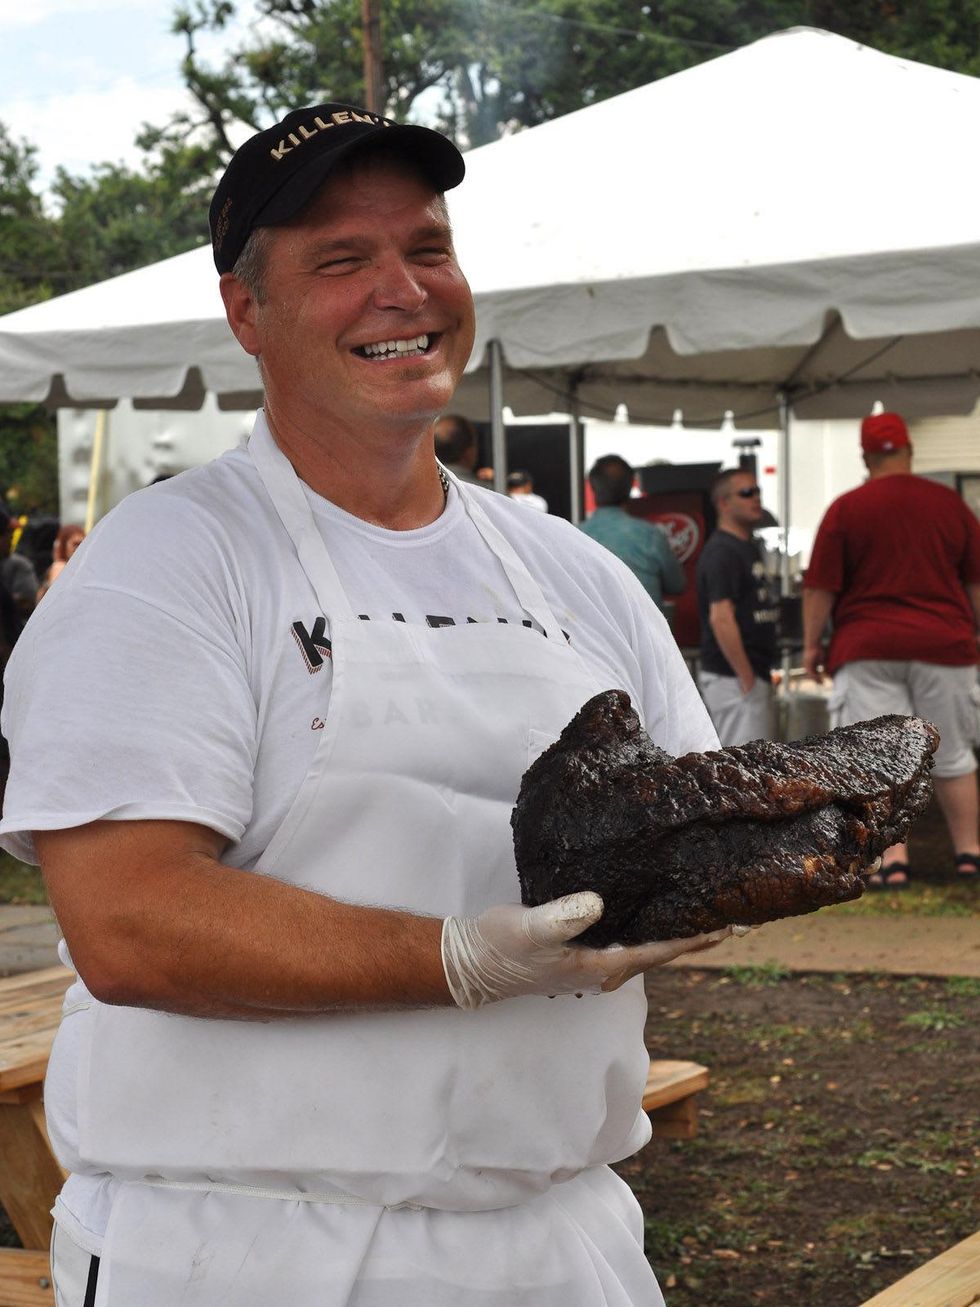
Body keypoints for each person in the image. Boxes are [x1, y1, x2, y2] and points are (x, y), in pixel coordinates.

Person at [0, 103, 736, 1306]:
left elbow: (691, 835)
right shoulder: (170, 563)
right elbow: (129, 921)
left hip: (559, 1236)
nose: (401, 290)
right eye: (340, 261)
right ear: (248, 311)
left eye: (426, 249)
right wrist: (458, 957)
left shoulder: (573, 573)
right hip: (243, 1248)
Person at [802, 411, 980, 889]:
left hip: (868, 645)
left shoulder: (846, 508)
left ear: (864, 457)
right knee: (957, 755)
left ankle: (893, 862)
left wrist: (810, 647)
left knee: (882, 760)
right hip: (944, 644)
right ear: (909, 451)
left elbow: (819, 588)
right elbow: (974, 582)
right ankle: (970, 856)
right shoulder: (949, 504)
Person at [696, 467, 780, 745]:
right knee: (745, 770)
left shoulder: (746, 546)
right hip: (733, 677)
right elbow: (721, 618)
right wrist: (746, 677)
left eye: (758, 491)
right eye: (746, 493)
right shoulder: (722, 551)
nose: (756, 498)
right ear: (724, 503)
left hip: (750, 674)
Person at [579, 455, 685, 613]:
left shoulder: (575, 535)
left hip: (591, 633)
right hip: (645, 634)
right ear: (630, 488)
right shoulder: (650, 535)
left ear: (593, 488)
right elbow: (677, 585)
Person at [36, 522, 86, 600]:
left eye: (83, 544)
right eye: (76, 544)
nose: (79, 548)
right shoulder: (59, 566)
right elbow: (60, 598)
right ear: (64, 545)